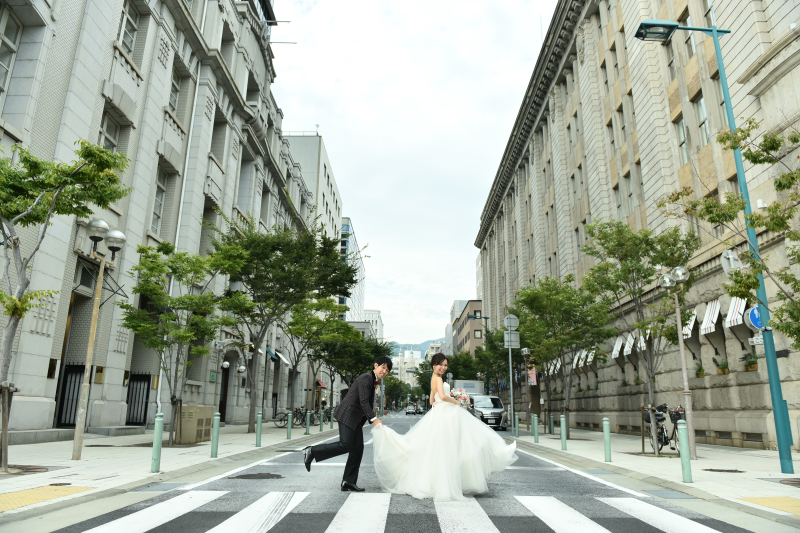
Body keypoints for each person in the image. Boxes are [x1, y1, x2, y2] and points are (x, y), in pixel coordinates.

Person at [371, 353, 517, 501]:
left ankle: (439, 482)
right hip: (447, 413)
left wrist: (444, 400)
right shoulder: (439, 379)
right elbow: (442, 396)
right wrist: (456, 401)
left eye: (445, 365)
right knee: (466, 441)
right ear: (434, 365)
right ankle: (497, 454)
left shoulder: (433, 378)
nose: (443, 367)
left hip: (439, 413)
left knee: (443, 448)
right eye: (440, 364)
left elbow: (432, 400)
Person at [304, 356, 392, 492]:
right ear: (376, 365)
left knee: (357, 449)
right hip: (347, 415)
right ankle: (312, 451)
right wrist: (374, 419)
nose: (384, 372)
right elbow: (363, 401)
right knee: (345, 445)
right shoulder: (366, 378)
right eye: (383, 367)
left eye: (387, 371)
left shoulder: (372, 380)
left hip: (355, 419)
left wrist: (371, 418)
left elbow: (366, 403)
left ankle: (348, 481)